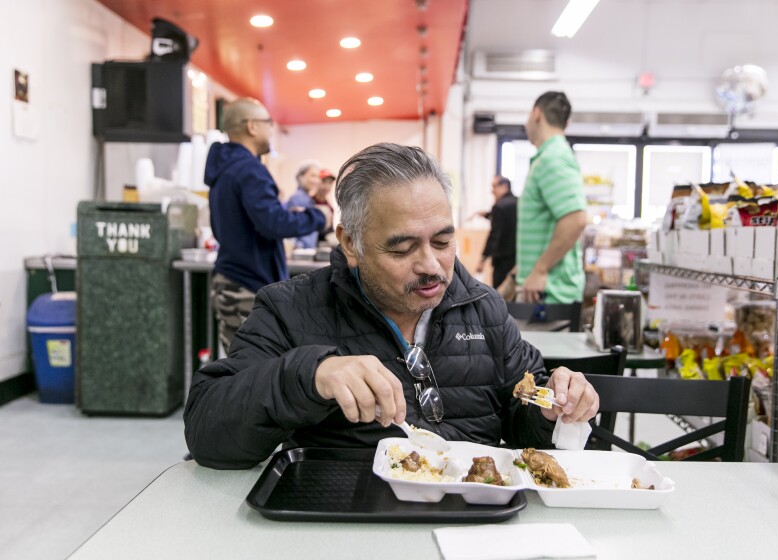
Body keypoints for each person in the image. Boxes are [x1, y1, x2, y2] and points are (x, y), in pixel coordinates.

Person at [185, 142, 599, 469]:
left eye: (442, 241)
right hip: (343, 521)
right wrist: (309, 374)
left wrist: (553, 406)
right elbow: (208, 432)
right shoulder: (291, 309)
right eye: (402, 249)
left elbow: (522, 417)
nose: (431, 265)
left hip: (472, 526)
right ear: (351, 242)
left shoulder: (483, 308)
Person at [206, 98, 327, 354]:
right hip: (247, 283)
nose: (271, 130)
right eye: (267, 124)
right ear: (252, 126)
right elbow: (272, 224)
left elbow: (248, 221)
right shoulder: (250, 170)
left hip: (229, 278)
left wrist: (282, 212)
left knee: (238, 363)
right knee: (254, 372)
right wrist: (318, 217)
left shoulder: (225, 168)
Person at [517, 91, 588, 304]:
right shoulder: (547, 157)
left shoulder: (553, 157)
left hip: (550, 295)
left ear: (537, 114)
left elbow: (576, 219)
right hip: (541, 291)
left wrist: (540, 269)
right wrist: (516, 276)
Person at [476, 176, 517, 288]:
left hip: (502, 261)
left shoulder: (499, 207)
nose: (492, 191)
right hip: (518, 261)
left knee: (500, 296)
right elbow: (508, 220)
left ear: (504, 186)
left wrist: (483, 259)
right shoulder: (519, 202)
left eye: (494, 186)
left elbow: (494, 236)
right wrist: (486, 215)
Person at [288, 160, 324, 249]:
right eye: (313, 176)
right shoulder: (298, 198)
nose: (316, 180)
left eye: (318, 177)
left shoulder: (307, 199)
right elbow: (296, 228)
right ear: (301, 177)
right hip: (302, 251)